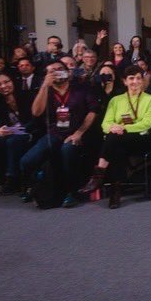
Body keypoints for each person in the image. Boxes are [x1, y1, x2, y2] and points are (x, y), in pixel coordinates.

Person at [79, 65, 151, 209]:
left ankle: (99, 175)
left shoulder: (150, 99)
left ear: (142, 81)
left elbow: (146, 124)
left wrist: (122, 128)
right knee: (116, 146)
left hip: (143, 138)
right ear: (124, 81)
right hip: (119, 140)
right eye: (131, 78)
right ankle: (115, 190)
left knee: (114, 139)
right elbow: (106, 124)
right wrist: (114, 128)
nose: (135, 81)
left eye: (138, 78)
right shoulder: (115, 100)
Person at [22, 61, 98, 208]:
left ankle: (72, 192)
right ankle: (35, 187)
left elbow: (93, 111)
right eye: (52, 71)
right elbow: (36, 112)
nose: (56, 72)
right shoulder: (46, 91)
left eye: (60, 69)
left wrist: (79, 133)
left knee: (67, 150)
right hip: (55, 133)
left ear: (68, 72)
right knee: (27, 161)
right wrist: (44, 86)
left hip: (78, 133)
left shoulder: (81, 88)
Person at [0, 72, 35, 194]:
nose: (3, 86)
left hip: (30, 130)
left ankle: (12, 177)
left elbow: (35, 120)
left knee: (13, 141)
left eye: (6, 82)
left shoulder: (27, 95)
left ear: (13, 81)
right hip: (11, 132)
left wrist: (14, 130)